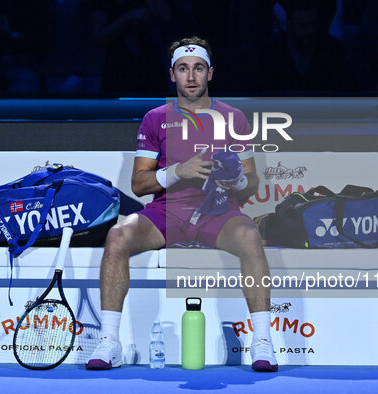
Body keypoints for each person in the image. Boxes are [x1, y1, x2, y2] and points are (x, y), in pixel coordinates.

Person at [85, 36, 278, 372]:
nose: (191, 76)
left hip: (218, 212)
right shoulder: (154, 119)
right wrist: (178, 171)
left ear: (210, 73)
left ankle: (262, 342)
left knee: (249, 235)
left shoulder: (234, 118)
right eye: (183, 69)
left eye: (198, 68)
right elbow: (139, 184)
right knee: (117, 237)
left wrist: (235, 181)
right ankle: (109, 342)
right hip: (166, 212)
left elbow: (251, 183)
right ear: (172, 75)